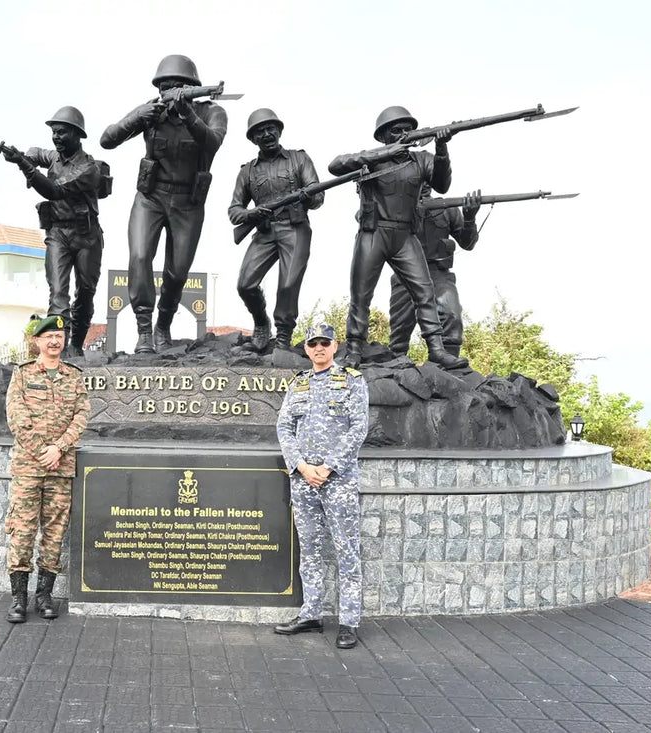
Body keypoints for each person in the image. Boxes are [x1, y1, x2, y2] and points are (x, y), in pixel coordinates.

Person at [100, 54, 227, 353]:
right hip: (150, 197)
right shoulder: (151, 110)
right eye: (164, 87)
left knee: (178, 272)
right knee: (140, 256)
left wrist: (188, 115)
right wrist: (139, 117)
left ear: (191, 87)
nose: (168, 92)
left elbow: (213, 143)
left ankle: (163, 326)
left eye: (176, 86)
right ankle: (144, 329)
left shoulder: (212, 112)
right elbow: (107, 140)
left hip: (188, 202)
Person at [328, 106, 467, 369]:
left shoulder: (421, 159)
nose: (404, 134)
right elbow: (335, 165)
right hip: (374, 233)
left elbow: (442, 185)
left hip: (404, 235)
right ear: (383, 136)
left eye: (408, 129)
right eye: (397, 130)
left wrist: (441, 148)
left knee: (424, 293)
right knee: (361, 295)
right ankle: (355, 348)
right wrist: (385, 153)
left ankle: (436, 350)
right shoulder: (372, 158)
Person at [274, 322, 369, 649]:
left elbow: (358, 429)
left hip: (337, 481)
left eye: (324, 343)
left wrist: (327, 467)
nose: (318, 348)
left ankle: (349, 621)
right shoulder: (297, 384)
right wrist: (301, 466)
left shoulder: (352, 382)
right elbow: (284, 428)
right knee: (310, 549)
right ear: (306, 348)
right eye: (313, 343)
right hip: (303, 481)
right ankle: (311, 613)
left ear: (335, 345)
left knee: (346, 550)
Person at [4, 314, 90, 622]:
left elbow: (82, 414)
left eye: (60, 335)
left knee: (54, 533)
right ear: (37, 341)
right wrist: (43, 450)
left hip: (61, 466)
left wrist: (59, 448)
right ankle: (18, 599)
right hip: (29, 466)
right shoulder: (23, 374)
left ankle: (44, 596)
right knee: (23, 531)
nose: (55, 341)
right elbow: (17, 417)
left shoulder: (73, 376)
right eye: (48, 336)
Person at [1, 107, 104, 359]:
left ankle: (76, 346)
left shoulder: (87, 169)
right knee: (58, 293)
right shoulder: (55, 157)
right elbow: (38, 153)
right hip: (58, 232)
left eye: (62, 133)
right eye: (53, 133)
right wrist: (23, 154)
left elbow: (53, 191)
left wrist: (23, 164)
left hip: (86, 236)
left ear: (77, 135)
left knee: (85, 294)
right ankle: (57, 351)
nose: (56, 137)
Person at [228, 109, 324, 352]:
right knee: (245, 284)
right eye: (260, 131)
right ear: (253, 139)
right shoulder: (247, 171)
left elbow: (318, 196)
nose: (267, 134)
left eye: (271, 128)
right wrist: (253, 213)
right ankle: (261, 324)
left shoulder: (298, 159)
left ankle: (282, 337)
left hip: (295, 228)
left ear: (279, 131)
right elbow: (234, 211)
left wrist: (308, 196)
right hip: (265, 232)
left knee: (288, 285)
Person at [389, 187, 480, 357]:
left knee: (452, 315)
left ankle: (449, 368)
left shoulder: (446, 208)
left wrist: (469, 219)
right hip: (405, 276)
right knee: (399, 333)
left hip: (438, 274)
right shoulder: (393, 207)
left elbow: (468, 244)